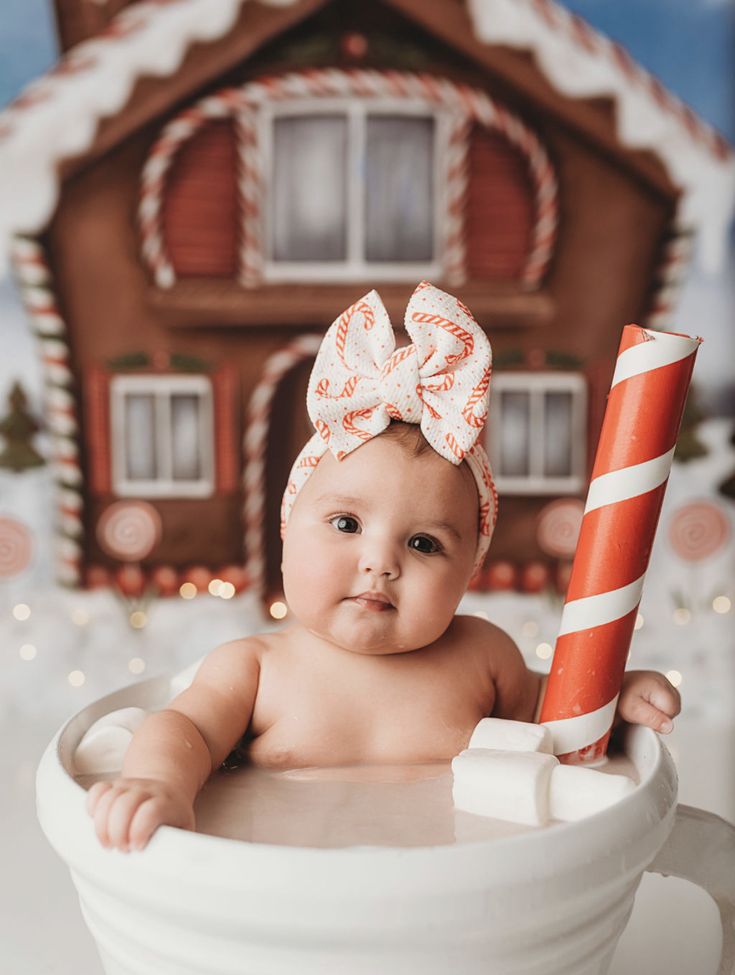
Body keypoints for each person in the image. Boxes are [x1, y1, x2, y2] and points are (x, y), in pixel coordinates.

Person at [87, 283, 681, 851]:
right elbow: (181, 730)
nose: (380, 563)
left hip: (459, 886)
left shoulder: (482, 656)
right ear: (288, 530)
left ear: (469, 571)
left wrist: (616, 693)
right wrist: (159, 783)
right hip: (292, 885)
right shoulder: (256, 669)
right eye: (346, 525)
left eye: (423, 544)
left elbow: (555, 717)